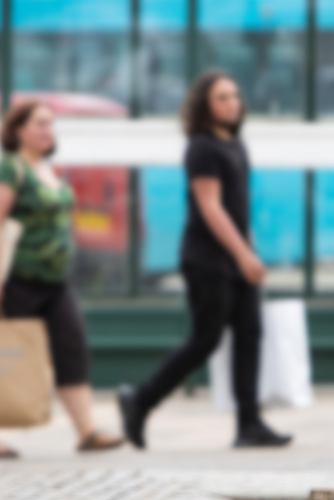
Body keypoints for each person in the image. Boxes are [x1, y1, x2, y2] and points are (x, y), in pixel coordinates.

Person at [0, 100, 123, 458]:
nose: (47, 131)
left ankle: (87, 431)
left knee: (72, 348)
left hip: (55, 280)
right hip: (16, 278)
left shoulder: (49, 169)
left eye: (50, 124)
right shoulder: (8, 169)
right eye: (39, 124)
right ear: (18, 129)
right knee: (2, 352)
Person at [117, 72, 292, 450]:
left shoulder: (236, 144)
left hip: (237, 258)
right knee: (205, 340)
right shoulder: (202, 148)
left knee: (250, 335)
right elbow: (210, 208)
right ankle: (140, 400)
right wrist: (243, 254)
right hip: (207, 260)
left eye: (235, 95)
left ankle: (250, 423)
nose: (232, 103)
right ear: (205, 105)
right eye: (222, 97)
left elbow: (238, 208)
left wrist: (251, 252)